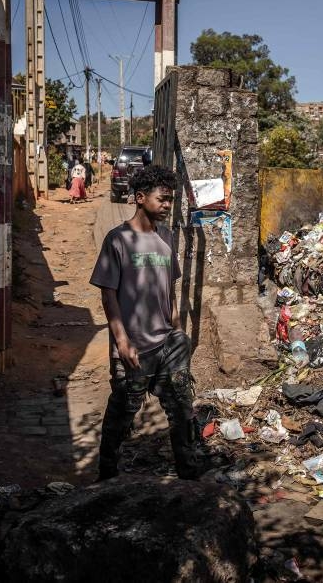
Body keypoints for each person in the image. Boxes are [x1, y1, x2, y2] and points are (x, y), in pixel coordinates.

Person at [89, 166, 199, 481]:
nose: (167, 205)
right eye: (162, 199)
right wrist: (121, 341)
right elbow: (108, 296)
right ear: (140, 198)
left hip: (169, 345)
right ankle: (107, 474)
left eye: (170, 200)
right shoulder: (118, 239)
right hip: (134, 346)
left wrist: (178, 331)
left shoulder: (166, 238)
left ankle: (189, 476)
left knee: (181, 409)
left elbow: (170, 291)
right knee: (122, 414)